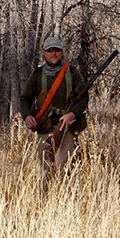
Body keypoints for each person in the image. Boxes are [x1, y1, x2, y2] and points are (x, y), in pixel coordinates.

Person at [20, 36, 88, 177]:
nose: (54, 53)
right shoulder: (37, 74)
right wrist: (27, 116)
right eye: (50, 50)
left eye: (57, 50)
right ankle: (45, 199)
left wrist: (72, 114)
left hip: (66, 128)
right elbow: (24, 98)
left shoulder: (72, 72)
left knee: (66, 169)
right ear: (44, 53)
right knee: (45, 172)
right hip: (44, 127)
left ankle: (65, 197)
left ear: (62, 52)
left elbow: (83, 98)